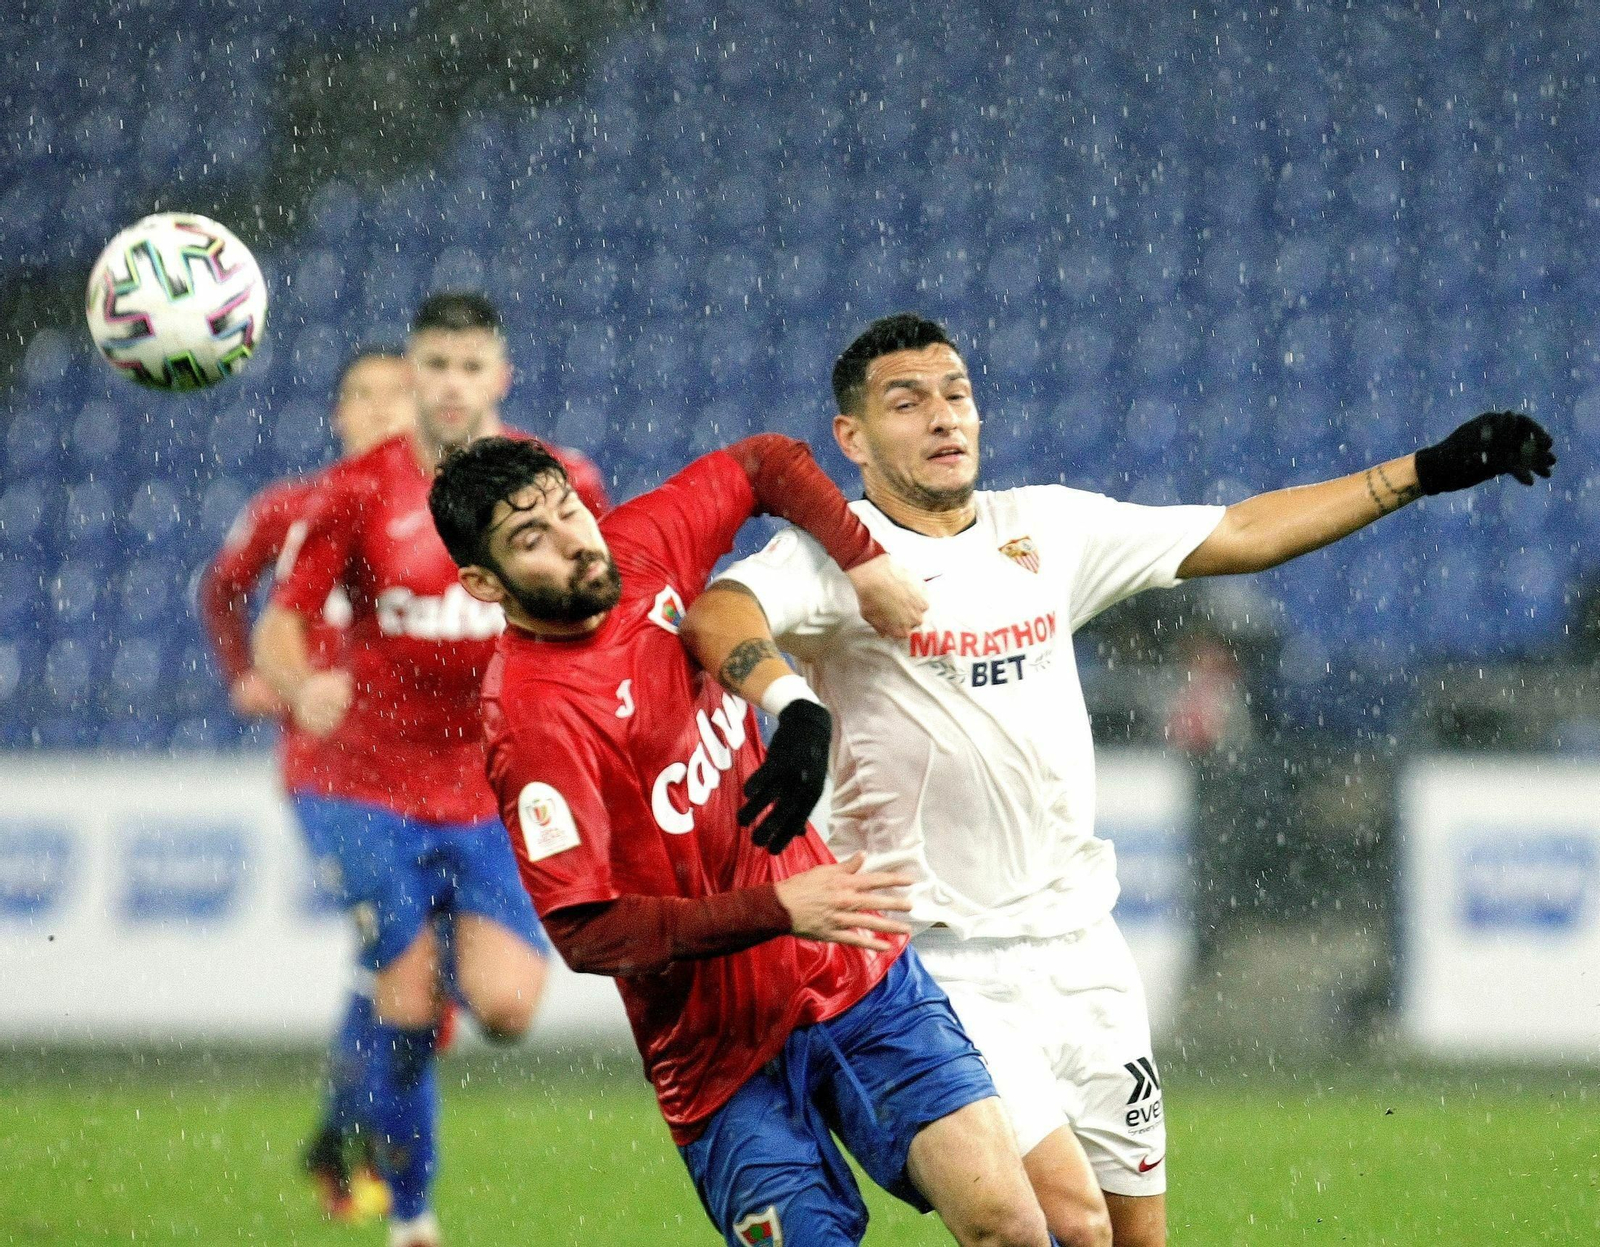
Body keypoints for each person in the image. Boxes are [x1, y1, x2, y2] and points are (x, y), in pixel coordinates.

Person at [678, 312, 1556, 1247]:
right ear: (851, 438)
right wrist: (793, 705)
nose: (943, 417)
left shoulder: (1046, 529)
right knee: (1061, 1225)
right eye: (908, 401)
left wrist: (1420, 472)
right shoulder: (837, 552)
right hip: (937, 960)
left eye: (957, 394)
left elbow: (1242, 531)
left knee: (1134, 1239)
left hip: (1084, 953)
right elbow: (722, 609)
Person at [427, 433, 1061, 1247]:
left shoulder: (643, 545)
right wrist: (777, 907)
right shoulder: (534, 721)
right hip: (719, 1064)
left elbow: (765, 462)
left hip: (855, 975)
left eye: (569, 511)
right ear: (483, 582)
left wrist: (862, 562)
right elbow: (586, 931)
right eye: (531, 540)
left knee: (1010, 1223)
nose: (573, 540)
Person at [253, 292, 610, 1247]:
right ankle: (410, 1218)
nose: (451, 384)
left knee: (505, 1006)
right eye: (435, 365)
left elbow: (607, 605)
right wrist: (298, 684)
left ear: (500, 376)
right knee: (409, 1000)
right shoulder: (361, 490)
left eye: (469, 365)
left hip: (495, 787)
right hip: (369, 784)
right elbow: (281, 621)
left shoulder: (557, 480)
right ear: (414, 375)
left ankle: (382, 1024)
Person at [199, 346, 416, 1222]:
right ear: (339, 415)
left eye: (395, 394)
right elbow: (222, 590)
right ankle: (358, 1149)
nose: (380, 410)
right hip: (329, 768)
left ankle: (342, 1130)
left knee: (405, 975)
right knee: (403, 957)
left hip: (431, 769)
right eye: (362, 395)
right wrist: (246, 675)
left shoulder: (444, 510)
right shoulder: (294, 508)